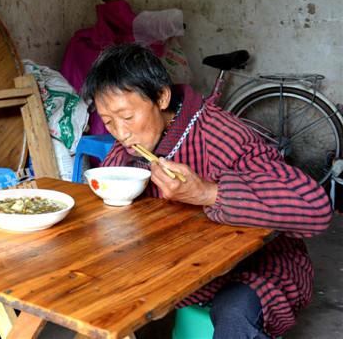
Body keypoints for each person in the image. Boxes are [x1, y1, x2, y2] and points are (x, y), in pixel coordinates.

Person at [81, 43, 332, 339]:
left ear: (161, 97)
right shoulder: (130, 151)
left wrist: (208, 194)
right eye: (108, 122)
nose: (121, 134)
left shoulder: (218, 133)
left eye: (127, 117)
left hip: (255, 268)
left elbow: (315, 208)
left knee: (234, 314)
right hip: (182, 267)